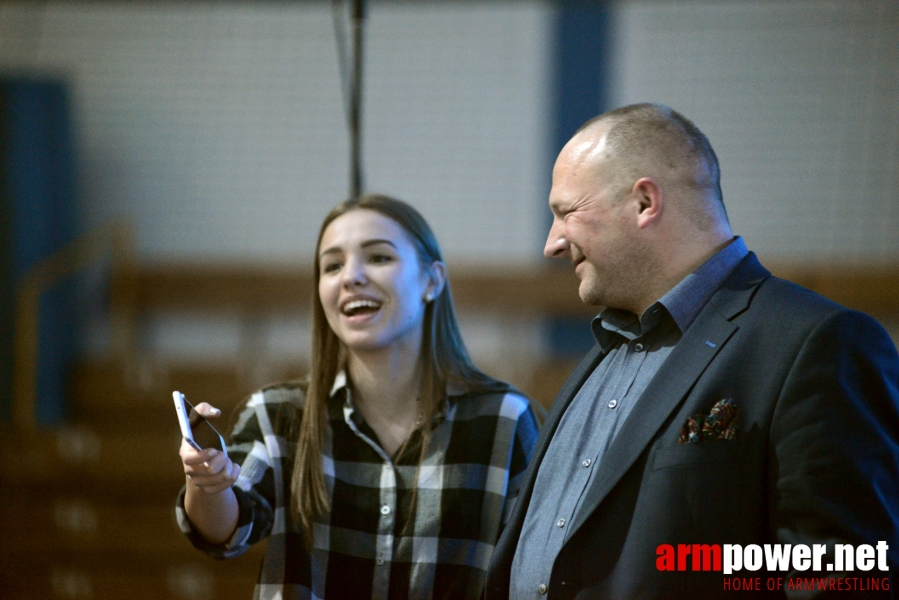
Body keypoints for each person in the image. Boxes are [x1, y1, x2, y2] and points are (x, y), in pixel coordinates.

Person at [484, 103, 899, 599]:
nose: (552, 243)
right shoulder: (608, 349)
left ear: (644, 203)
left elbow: (843, 575)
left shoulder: (815, 343)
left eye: (566, 212)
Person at [175, 194, 540, 599]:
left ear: (431, 281)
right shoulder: (277, 414)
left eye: (379, 258)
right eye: (332, 265)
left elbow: (533, 569)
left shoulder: (505, 420)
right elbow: (226, 532)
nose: (351, 277)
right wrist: (208, 483)